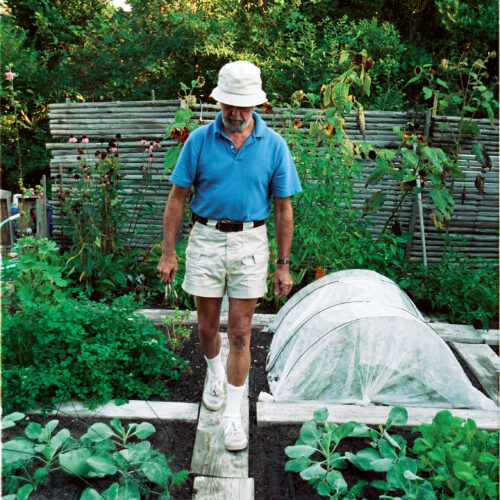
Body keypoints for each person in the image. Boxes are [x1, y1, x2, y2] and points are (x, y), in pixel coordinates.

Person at [157, 60, 302, 451]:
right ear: (219, 102)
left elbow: (284, 207)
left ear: (256, 104)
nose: (236, 114)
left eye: (244, 106)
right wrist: (169, 253)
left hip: (250, 242)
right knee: (207, 330)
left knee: (240, 332)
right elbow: (177, 198)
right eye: (229, 106)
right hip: (205, 238)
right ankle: (214, 373)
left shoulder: (273, 145)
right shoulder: (199, 141)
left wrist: (283, 265)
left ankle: (234, 416)